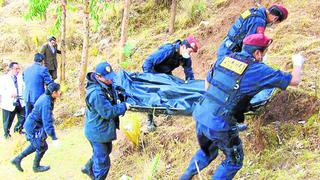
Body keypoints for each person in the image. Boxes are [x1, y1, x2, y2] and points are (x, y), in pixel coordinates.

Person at [180, 34, 305, 179]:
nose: (264, 56)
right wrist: (298, 63)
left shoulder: (225, 58)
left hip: (201, 113)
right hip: (220, 122)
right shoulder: (259, 70)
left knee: (207, 151)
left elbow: (208, 84)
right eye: (264, 53)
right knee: (233, 161)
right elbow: (295, 80)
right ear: (257, 53)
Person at [81, 61, 131, 179]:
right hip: (98, 132)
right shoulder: (96, 94)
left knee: (106, 151)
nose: (110, 80)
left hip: (101, 129)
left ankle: (88, 167)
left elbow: (112, 93)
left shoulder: (105, 84)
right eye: (107, 78)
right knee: (103, 165)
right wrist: (124, 106)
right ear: (98, 76)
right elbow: (108, 112)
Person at [142, 35, 199, 131]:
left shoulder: (185, 57)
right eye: (190, 51)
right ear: (184, 46)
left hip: (166, 74)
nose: (189, 54)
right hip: (153, 72)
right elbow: (148, 62)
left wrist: (191, 86)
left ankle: (166, 112)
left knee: (171, 89)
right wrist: (150, 78)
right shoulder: (168, 50)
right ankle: (150, 121)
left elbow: (188, 72)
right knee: (152, 95)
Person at [11, 82, 61, 173]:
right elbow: (47, 122)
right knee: (42, 146)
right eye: (58, 91)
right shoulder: (46, 102)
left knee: (37, 145)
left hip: (34, 124)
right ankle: (35, 167)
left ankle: (17, 159)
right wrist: (54, 137)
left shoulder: (47, 98)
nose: (60, 93)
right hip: (33, 126)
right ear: (53, 92)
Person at [217, 4, 288, 60]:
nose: (273, 23)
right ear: (275, 19)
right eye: (276, 22)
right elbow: (251, 46)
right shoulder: (259, 22)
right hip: (231, 54)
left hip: (225, 46)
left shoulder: (253, 11)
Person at [23, 53, 53, 118]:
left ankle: (27, 127)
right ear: (42, 61)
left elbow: (24, 79)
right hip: (38, 96)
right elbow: (49, 83)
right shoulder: (43, 69)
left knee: (28, 116)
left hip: (27, 96)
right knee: (39, 115)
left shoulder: (26, 69)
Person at [0, 62, 25, 138]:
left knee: (23, 117)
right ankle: (6, 135)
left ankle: (18, 129)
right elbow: (1, 90)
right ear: (11, 69)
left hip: (20, 101)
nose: (18, 70)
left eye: (18, 69)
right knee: (8, 121)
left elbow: (24, 87)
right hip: (9, 102)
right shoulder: (4, 78)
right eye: (16, 69)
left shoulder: (20, 77)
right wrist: (9, 94)